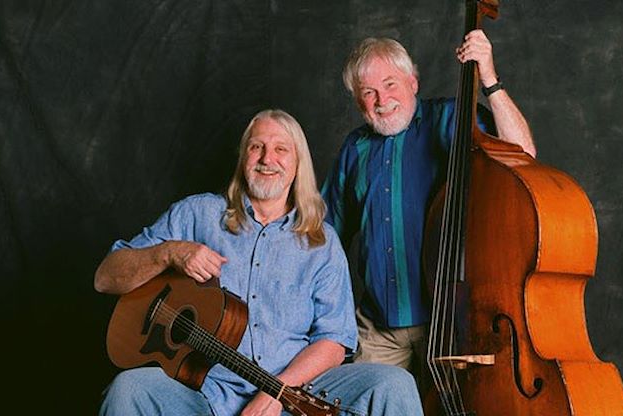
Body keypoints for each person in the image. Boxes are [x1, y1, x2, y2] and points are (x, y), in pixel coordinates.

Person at [94, 109, 424, 416]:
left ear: (298, 164)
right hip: (204, 391)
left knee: (394, 383)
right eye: (257, 147)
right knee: (129, 388)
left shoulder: (321, 242)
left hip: (297, 387)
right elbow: (106, 278)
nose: (268, 159)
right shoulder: (196, 215)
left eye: (282, 149)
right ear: (243, 158)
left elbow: (334, 340)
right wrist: (169, 252)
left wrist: (277, 391)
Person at [321, 32, 537, 387]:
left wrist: (490, 80)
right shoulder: (354, 149)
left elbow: (522, 156)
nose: (382, 100)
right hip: (379, 329)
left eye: (390, 84)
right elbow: (324, 237)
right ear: (359, 101)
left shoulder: (451, 119)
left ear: (413, 82)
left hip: (452, 325)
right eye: (368, 92)